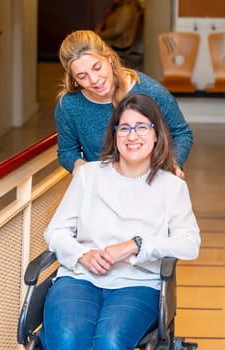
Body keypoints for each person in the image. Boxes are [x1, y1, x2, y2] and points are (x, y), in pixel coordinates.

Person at [41, 93, 201, 349]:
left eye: (142, 127)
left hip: (138, 283)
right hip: (79, 278)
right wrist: (84, 254)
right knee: (68, 340)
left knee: (109, 342)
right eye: (124, 128)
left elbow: (189, 243)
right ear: (115, 135)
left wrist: (136, 245)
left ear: (157, 133)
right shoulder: (88, 176)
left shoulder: (171, 187)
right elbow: (56, 231)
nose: (132, 136)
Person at [55, 30, 193, 178]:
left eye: (97, 67)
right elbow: (67, 151)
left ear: (109, 59)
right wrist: (78, 165)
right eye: (82, 76)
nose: (94, 79)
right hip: (102, 187)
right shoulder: (69, 106)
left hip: (150, 181)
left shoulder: (151, 91)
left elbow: (181, 133)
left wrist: (172, 163)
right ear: (74, 78)